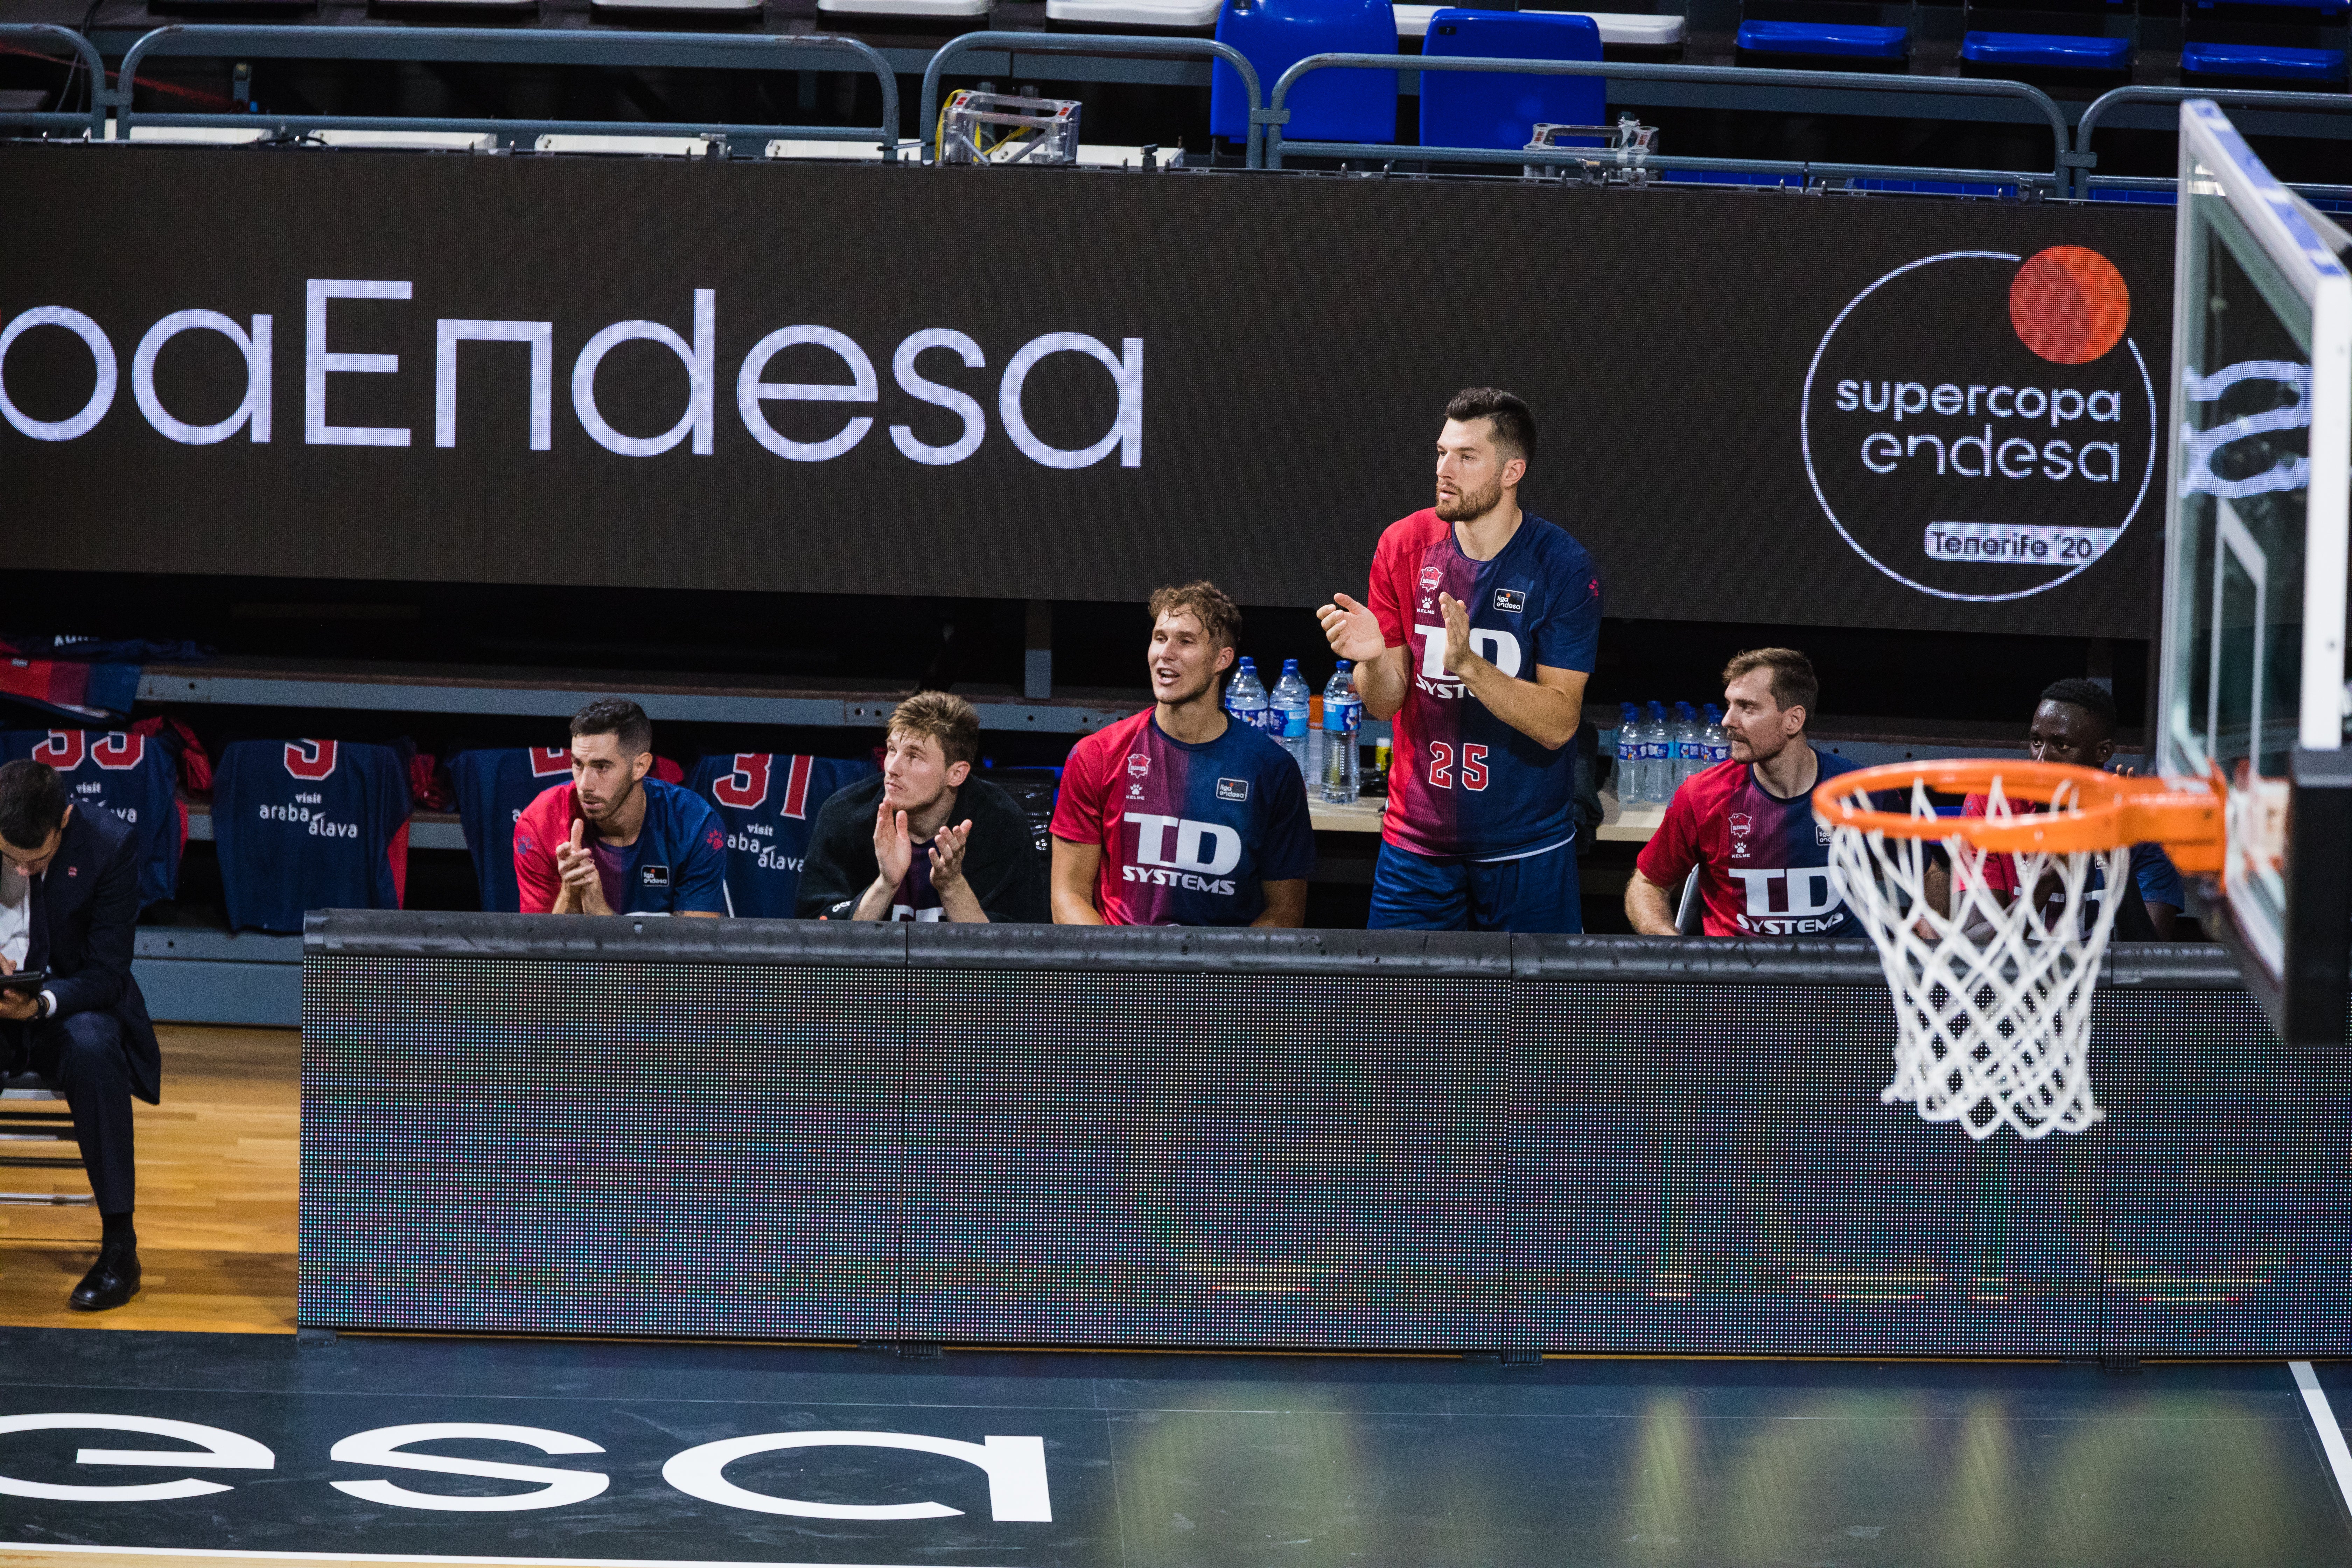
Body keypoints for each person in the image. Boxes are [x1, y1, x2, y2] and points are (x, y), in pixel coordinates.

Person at [1316, 387, 1601, 933]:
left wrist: (1469, 664)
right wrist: (1374, 659)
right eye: (1442, 453)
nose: (1445, 470)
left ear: (1512, 470)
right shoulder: (1403, 544)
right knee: (1399, 1017)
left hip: (1527, 845)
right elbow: (1383, 701)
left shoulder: (1562, 565)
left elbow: (1560, 724)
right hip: (1417, 841)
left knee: (1538, 1021)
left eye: (1467, 457)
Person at [1052, 581, 1312, 926]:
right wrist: (1119, 973)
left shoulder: (1272, 770)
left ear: (1223, 659)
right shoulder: (1096, 755)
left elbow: (1285, 913)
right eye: (1160, 638)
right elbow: (1068, 895)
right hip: (1122, 970)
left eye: (1185, 641)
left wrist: (1222, 977)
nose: (1166, 653)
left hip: (1222, 974)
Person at [0, 759, 161, 1311]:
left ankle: (121, 1248)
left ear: (65, 821)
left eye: (36, 860)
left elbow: (107, 972)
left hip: (67, 1004)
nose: (22, 871)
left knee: (95, 1049)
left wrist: (40, 1004)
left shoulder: (110, 845)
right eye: (9, 859)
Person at [1626, 648, 1865, 938]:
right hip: (1737, 979)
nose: (1727, 720)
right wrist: (1668, 945)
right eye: (1729, 705)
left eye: (1747, 707)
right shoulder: (1702, 795)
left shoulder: (1863, 794)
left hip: (1839, 978)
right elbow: (1648, 884)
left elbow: (1927, 876)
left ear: (1793, 720)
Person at [1926, 677, 2184, 940]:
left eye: (2061, 746)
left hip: (2101, 982)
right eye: (2036, 742)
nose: (2041, 761)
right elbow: (1974, 944)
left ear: (2103, 752)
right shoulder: (1991, 806)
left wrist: (2116, 859)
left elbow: (2150, 966)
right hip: (2015, 980)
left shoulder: (2144, 819)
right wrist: (2051, 876)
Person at [797, 692, 1047, 923]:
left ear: (956, 774)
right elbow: (818, 947)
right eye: (892, 750)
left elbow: (1012, 957)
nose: (892, 768)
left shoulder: (1001, 825)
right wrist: (885, 885)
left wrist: (952, 886)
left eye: (914, 757)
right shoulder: (845, 816)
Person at [514, 699, 729, 918]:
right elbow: (542, 947)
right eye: (578, 764)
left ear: (640, 767)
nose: (585, 785)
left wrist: (599, 912)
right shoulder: (539, 823)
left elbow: (691, 946)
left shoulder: (695, 824)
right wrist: (570, 892)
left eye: (602, 767)